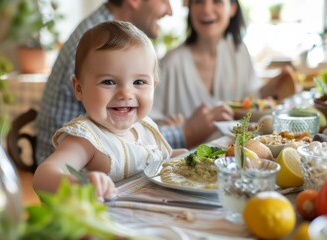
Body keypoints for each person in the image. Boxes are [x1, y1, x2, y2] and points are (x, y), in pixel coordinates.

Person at [33, 21, 187, 200]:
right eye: (109, 82)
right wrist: (82, 184)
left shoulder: (145, 128)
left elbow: (152, 161)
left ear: (154, 86)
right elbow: (43, 176)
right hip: (105, 224)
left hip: (147, 218)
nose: (125, 93)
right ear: (79, 88)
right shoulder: (86, 139)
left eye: (139, 82)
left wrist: (179, 158)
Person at [151, 0, 296, 148]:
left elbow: (248, 100)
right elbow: (147, 121)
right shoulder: (170, 63)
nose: (207, 10)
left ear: (232, 8)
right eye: (198, 2)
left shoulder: (239, 52)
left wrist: (271, 88)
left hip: (236, 156)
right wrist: (180, 128)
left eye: (217, 1)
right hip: (184, 161)